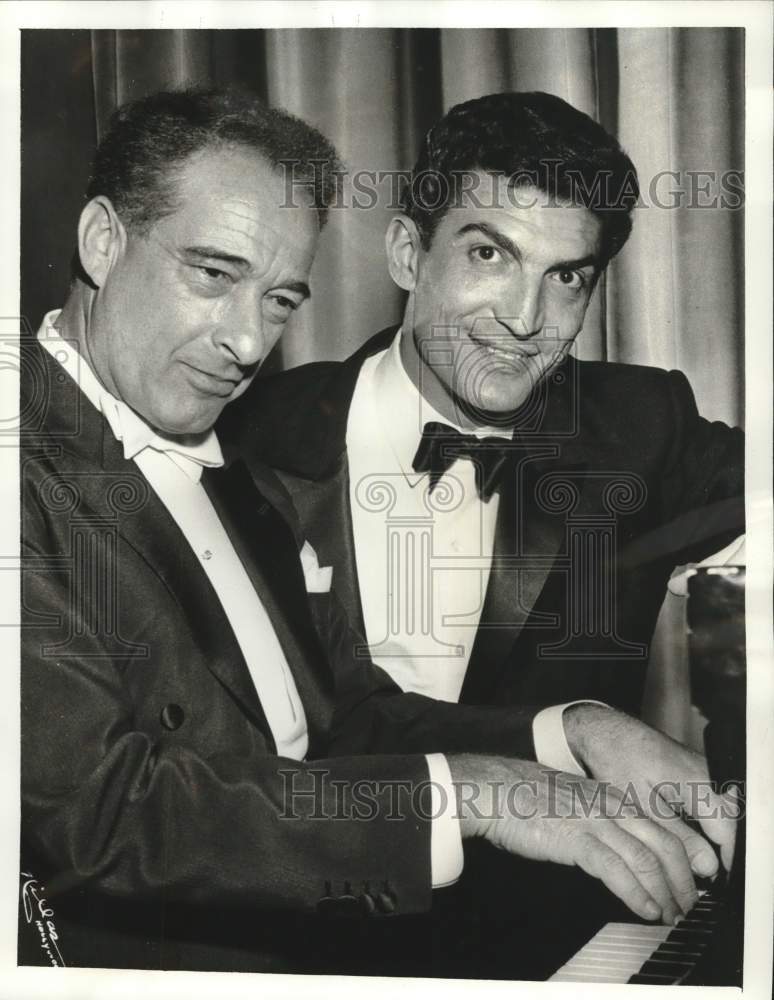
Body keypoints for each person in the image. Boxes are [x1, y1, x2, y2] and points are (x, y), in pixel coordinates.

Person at [21, 89, 736, 977]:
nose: (247, 343)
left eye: (280, 299)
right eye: (212, 274)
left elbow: (334, 718)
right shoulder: (39, 454)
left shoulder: (206, 455)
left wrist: (570, 733)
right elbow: (101, 812)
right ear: (102, 240)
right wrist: (463, 791)